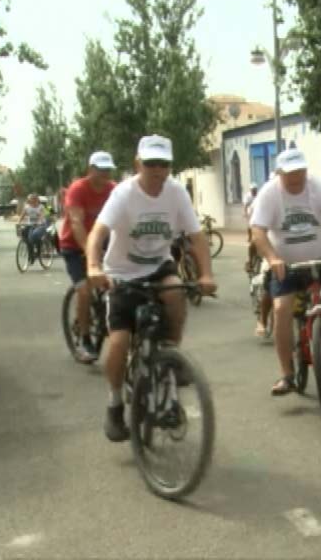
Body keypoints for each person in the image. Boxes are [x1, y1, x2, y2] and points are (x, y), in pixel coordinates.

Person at [86, 135, 215, 442]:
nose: (158, 170)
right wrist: (93, 266)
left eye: (164, 164)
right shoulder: (123, 194)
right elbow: (98, 232)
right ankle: (115, 402)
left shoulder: (175, 193)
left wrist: (207, 274)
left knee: (175, 291)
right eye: (151, 163)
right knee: (119, 342)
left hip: (158, 266)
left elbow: (197, 237)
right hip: (121, 273)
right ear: (138, 164)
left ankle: (170, 359)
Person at [250, 148, 321, 396]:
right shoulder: (269, 194)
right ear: (279, 174)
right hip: (286, 264)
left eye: (300, 171)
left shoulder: (319, 187)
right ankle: (287, 374)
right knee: (281, 310)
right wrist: (273, 258)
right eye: (290, 173)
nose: (297, 177)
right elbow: (257, 231)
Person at [59, 151, 117, 363]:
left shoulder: (114, 189)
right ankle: (84, 339)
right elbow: (76, 223)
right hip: (75, 246)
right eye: (100, 170)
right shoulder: (77, 190)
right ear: (90, 169)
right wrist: (90, 252)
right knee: (84, 290)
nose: (105, 174)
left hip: (104, 242)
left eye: (108, 170)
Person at [18, 194, 48, 263]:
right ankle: (31, 255)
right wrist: (19, 222)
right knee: (25, 236)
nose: (33, 201)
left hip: (39, 225)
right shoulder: (27, 207)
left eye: (34, 199)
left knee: (34, 236)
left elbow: (42, 215)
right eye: (31, 199)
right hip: (30, 225)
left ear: (37, 200)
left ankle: (38, 251)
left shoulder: (41, 207)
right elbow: (22, 215)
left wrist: (41, 220)